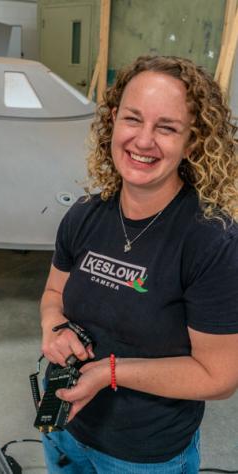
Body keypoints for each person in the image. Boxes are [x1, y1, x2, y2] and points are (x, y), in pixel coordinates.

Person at [40, 55, 238, 473]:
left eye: (166, 127)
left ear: (193, 140)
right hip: (63, 429)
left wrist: (108, 372)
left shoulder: (210, 240)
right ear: (113, 121)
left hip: (141, 454)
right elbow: (53, 293)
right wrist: (52, 326)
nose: (143, 140)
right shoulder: (84, 215)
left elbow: (218, 376)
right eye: (133, 119)